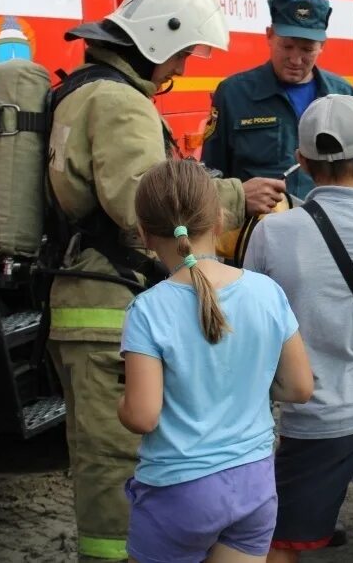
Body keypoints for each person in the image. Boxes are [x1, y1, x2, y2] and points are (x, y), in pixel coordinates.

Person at [46, 0, 276, 561]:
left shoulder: (88, 89)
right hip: (107, 307)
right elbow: (141, 205)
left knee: (107, 456)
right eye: (179, 55)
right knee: (114, 464)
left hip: (93, 300)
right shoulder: (121, 102)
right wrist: (231, 198)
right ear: (154, 38)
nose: (179, 71)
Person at [243, 94, 353, 563]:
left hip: (315, 416)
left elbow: (257, 318)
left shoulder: (270, 234)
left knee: (282, 541)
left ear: (301, 163)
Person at [118, 159, 314, 563]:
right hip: (253, 483)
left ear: (143, 235)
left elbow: (142, 416)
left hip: (178, 491)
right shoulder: (267, 292)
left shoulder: (147, 310)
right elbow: (299, 387)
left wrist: (120, 404)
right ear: (221, 220)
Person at [202, 0, 353, 209]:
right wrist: (239, 198)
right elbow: (210, 175)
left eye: (307, 49)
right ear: (269, 35)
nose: (295, 59)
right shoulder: (233, 94)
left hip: (331, 234)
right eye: (287, 46)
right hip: (256, 234)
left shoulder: (345, 97)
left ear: (322, 46)